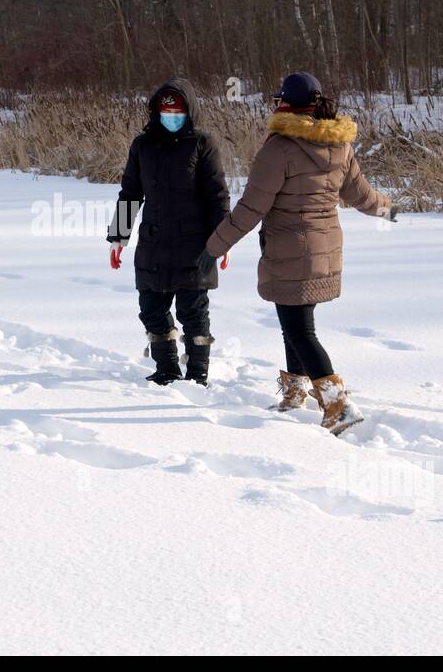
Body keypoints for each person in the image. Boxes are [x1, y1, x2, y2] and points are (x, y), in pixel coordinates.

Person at [197, 72, 394, 434]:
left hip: (291, 250)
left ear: (285, 104)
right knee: (296, 323)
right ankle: (294, 392)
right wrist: (387, 209)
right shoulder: (339, 145)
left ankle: (338, 404)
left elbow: (251, 208)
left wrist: (214, 246)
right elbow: (360, 195)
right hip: (325, 249)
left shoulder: (280, 148)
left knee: (299, 329)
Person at [108, 79, 231, 385]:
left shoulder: (203, 144)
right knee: (151, 307)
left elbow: (218, 195)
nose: (172, 114)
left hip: (195, 245)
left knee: (194, 312)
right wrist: (118, 237)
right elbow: (130, 194)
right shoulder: (142, 145)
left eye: (178, 109)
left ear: (189, 110)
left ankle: (198, 375)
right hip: (154, 242)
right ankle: (167, 370)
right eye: (166, 109)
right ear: (155, 111)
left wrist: (224, 239)